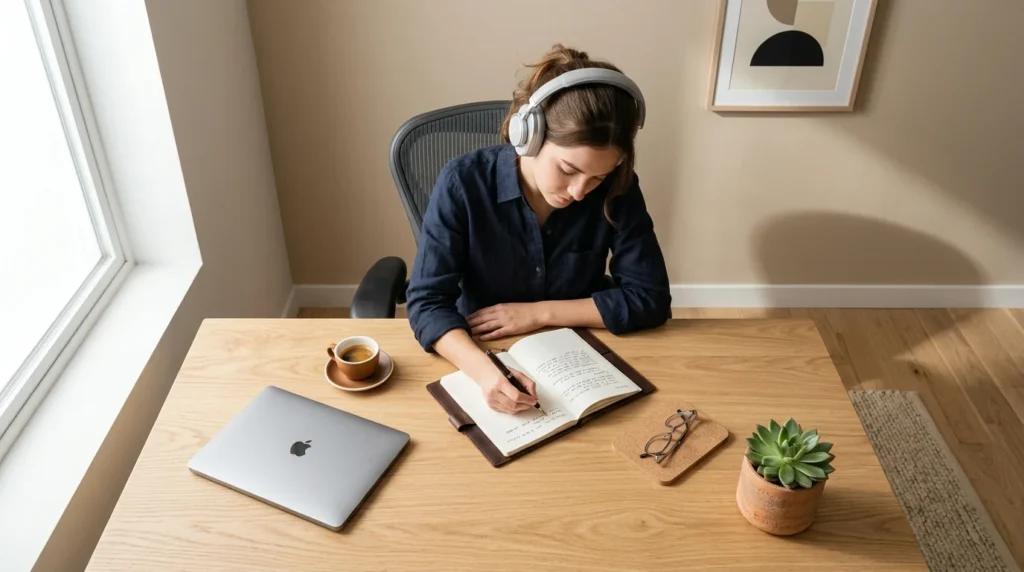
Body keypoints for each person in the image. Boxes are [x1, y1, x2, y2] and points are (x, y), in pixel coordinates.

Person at [406, 44, 671, 414]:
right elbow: (427, 302)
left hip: (580, 352)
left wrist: (539, 313)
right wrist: (487, 373)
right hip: (481, 347)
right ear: (527, 137)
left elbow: (650, 298)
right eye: (567, 169)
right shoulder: (462, 182)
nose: (580, 192)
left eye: (599, 175)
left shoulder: (618, 187)